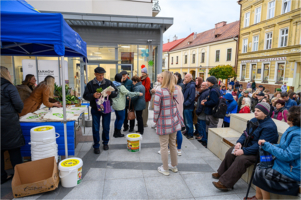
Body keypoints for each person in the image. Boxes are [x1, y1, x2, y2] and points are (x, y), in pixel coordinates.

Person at [212, 102, 279, 191]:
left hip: (260, 153)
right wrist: (239, 143)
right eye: (255, 110)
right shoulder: (254, 120)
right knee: (231, 151)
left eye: (258, 111)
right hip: (248, 146)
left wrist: (244, 151)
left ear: (265, 113)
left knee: (241, 159)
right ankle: (222, 173)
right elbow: (245, 133)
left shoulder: (270, 127)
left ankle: (225, 183)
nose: (255, 112)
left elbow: (261, 146)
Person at [251, 106, 300, 199]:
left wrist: (269, 146)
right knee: (260, 167)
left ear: (293, 118)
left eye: (288, 115)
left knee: (263, 172)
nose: (285, 116)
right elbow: (283, 147)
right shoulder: (292, 129)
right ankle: (258, 197)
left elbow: (288, 155)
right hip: (287, 165)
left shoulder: (298, 135)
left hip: (293, 170)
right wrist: (269, 145)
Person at [153, 71, 183, 176]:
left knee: (164, 146)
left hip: (163, 121)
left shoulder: (159, 90)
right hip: (174, 121)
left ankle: (165, 168)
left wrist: (155, 120)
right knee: (173, 145)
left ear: (164, 78)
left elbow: (156, 109)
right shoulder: (175, 89)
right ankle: (173, 166)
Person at [83, 67, 118, 153]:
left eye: (102, 75)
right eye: (99, 75)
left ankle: (105, 143)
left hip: (106, 108)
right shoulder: (90, 84)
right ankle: (96, 145)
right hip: (95, 109)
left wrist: (112, 93)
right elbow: (85, 96)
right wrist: (93, 96)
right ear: (95, 74)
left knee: (106, 127)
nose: (101, 77)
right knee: (95, 128)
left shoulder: (108, 82)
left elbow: (115, 93)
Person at [1, 66, 25, 184]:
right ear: (6, 74)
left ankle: (1, 176)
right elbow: (19, 104)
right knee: (14, 149)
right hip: (8, 122)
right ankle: (19, 176)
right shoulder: (9, 87)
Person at [112, 74, 142, 138]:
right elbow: (129, 93)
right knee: (121, 119)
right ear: (119, 79)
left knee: (117, 118)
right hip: (120, 106)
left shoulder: (112, 85)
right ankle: (118, 132)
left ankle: (115, 132)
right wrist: (138, 93)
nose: (123, 79)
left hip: (115, 105)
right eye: (122, 78)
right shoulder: (120, 87)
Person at [182, 74, 196, 140]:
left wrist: (185, 104)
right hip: (186, 106)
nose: (185, 78)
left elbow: (191, 97)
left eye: (187, 77)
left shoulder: (191, 86)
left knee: (189, 121)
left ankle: (190, 134)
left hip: (188, 106)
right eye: (185, 77)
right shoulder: (187, 85)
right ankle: (187, 132)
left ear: (191, 78)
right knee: (186, 121)